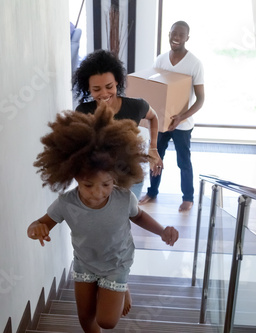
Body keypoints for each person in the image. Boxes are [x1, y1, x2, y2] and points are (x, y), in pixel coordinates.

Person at [27, 104, 179, 333]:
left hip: (116, 263)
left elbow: (138, 217)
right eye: (88, 185)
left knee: (107, 321)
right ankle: (114, 293)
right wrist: (35, 229)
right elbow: (39, 224)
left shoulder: (123, 198)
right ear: (75, 176)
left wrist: (161, 231)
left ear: (116, 177)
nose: (97, 193)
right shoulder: (66, 203)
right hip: (85, 263)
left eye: (106, 184)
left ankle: (122, 286)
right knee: (86, 318)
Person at [72, 49, 163, 199]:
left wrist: (153, 147)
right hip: (98, 180)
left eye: (109, 87)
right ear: (88, 88)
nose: (104, 94)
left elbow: (153, 117)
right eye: (96, 89)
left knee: (126, 217)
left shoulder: (136, 106)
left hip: (131, 178)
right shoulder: (83, 112)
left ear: (117, 82)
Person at [139, 20, 205, 212]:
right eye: (173, 33)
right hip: (161, 122)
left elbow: (200, 100)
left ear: (187, 38)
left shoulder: (195, 64)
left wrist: (181, 117)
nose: (176, 38)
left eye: (181, 35)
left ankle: (188, 197)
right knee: (156, 156)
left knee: (183, 161)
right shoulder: (160, 60)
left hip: (182, 124)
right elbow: (155, 91)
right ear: (168, 34)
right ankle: (152, 192)